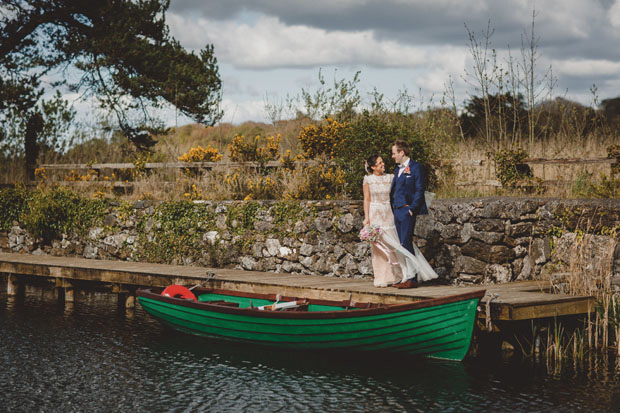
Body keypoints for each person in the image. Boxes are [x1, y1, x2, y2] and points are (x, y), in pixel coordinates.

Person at [362, 153, 438, 288]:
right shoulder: (368, 180)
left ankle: (402, 275)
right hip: (375, 214)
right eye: (379, 163)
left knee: (396, 245)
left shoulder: (391, 177)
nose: (383, 164)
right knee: (379, 248)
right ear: (373, 167)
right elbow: (367, 199)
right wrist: (367, 218)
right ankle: (382, 277)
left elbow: (402, 190)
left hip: (389, 212)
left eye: (382, 162)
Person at [389, 139, 436, 288]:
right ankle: (406, 277)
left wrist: (412, 209)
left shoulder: (416, 167)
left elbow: (419, 190)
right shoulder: (397, 169)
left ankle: (412, 279)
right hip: (396, 211)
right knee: (401, 245)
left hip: (407, 211)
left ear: (402, 153)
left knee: (406, 243)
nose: (392, 156)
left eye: (394, 153)